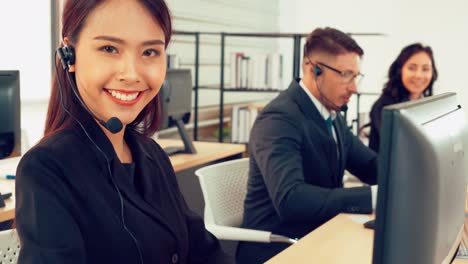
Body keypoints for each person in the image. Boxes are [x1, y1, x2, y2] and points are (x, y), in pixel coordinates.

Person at [15, 0, 233, 263]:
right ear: (69, 56)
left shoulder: (151, 154)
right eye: (109, 48)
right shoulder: (46, 169)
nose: (132, 74)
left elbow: (204, 252)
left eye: (150, 52)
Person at [236, 27, 378, 263]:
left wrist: (407, 182)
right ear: (313, 69)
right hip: (279, 248)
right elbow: (291, 199)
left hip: (321, 234)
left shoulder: (331, 115)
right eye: (346, 75)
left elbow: (370, 165)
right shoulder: (279, 119)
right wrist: (372, 197)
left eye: (356, 76)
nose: (354, 88)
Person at [368, 43, 438, 153]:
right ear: (399, 71)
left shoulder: (429, 105)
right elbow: (403, 148)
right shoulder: (384, 107)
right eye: (412, 68)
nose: (419, 75)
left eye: (425, 69)